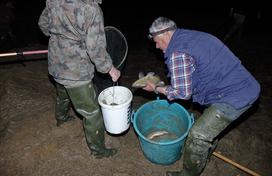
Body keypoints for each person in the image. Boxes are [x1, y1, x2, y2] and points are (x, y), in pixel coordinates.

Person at [144, 17, 260, 176]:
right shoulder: (191, 36)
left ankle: (189, 174)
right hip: (243, 83)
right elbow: (189, 77)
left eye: (156, 41)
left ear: (165, 34)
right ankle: (203, 153)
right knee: (208, 128)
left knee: (198, 134)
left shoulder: (177, 52)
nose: (156, 46)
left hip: (234, 95)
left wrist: (157, 88)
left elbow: (183, 93)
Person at [38, 0, 120, 159]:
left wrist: (60, 37)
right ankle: (99, 151)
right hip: (76, 71)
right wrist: (110, 68)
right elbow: (95, 47)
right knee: (92, 113)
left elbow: (43, 24)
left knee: (63, 93)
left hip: (56, 62)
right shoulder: (91, 7)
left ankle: (61, 119)